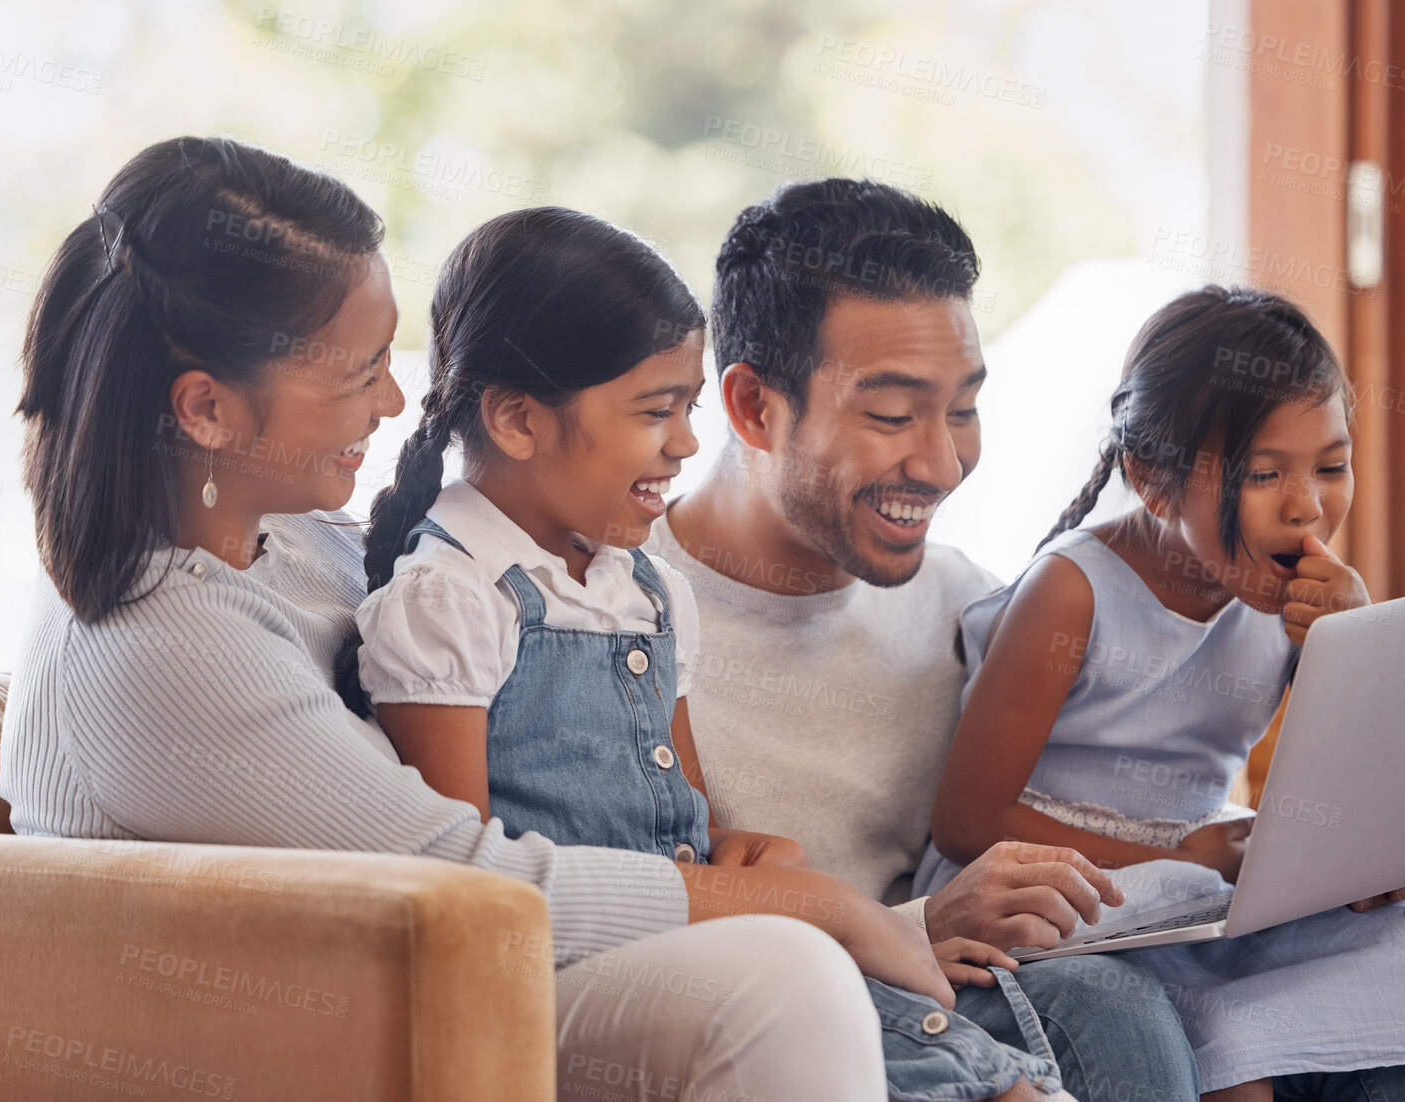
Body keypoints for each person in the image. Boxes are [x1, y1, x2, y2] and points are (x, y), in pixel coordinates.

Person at [0, 136, 892, 1100]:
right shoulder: (158, 644)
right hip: (284, 1045)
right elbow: (456, 877)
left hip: (400, 996)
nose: (392, 400)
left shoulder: (289, 542)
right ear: (206, 409)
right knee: (778, 978)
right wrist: (806, 906)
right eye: (358, 374)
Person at [651, 177, 1405, 1102]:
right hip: (860, 1026)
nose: (942, 464)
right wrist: (928, 920)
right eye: (893, 415)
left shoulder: (964, 602)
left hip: (1035, 971)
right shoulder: (616, 630)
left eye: (963, 409)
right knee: (1105, 1006)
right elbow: (637, 935)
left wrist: (1363, 891)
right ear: (753, 406)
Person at [340, 205, 1066, 1102]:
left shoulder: (645, 590)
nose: (685, 442)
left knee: (1008, 1082)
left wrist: (740, 851)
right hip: (581, 969)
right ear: (517, 421)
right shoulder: (448, 602)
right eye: (655, 412)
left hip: (702, 937)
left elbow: (685, 815)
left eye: (685, 408)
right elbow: (465, 890)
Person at [918, 284, 1405, 1101]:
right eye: (1265, 474)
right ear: (1153, 480)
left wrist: (1388, 859)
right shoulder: (1074, 591)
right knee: (1233, 1061)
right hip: (1055, 900)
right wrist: (1175, 856)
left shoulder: (1294, 604)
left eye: (1333, 466)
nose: (1309, 506)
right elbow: (968, 818)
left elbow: (1356, 792)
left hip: (1197, 901)